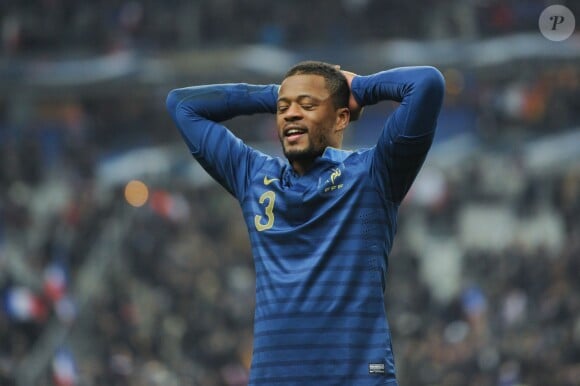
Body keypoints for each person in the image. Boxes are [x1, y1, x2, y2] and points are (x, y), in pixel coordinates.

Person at [166, 61, 445, 386]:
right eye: (283, 108)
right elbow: (181, 105)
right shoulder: (253, 176)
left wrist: (359, 88)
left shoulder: (374, 173)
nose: (291, 114)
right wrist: (279, 93)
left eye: (308, 105)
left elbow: (427, 83)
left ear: (340, 117)